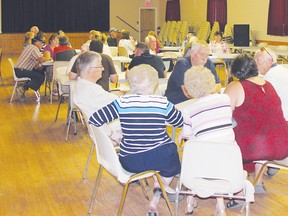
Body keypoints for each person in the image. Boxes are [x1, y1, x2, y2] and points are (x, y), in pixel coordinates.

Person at [89, 64, 183, 215]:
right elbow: (179, 122)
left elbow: (94, 119)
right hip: (160, 158)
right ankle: (159, 188)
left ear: (130, 84)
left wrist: (113, 134)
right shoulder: (162, 103)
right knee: (172, 149)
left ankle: (158, 189)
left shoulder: (121, 102)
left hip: (130, 161)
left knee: (164, 151)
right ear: (154, 85)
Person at [224, 54, 288, 194]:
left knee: (230, 132)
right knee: (259, 129)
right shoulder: (268, 84)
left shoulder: (236, 86)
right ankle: (258, 182)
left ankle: (238, 189)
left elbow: (223, 116)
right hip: (281, 142)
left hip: (256, 147)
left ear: (235, 72)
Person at [180, 66, 235, 216]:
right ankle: (221, 207)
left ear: (189, 88)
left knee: (192, 149)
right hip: (228, 160)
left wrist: (182, 135)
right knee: (215, 147)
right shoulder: (225, 99)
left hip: (203, 164)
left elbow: (188, 137)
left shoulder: (188, 110)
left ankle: (190, 203)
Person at [74, 51, 121, 144]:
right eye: (100, 66)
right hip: (112, 135)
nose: (103, 69)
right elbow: (121, 104)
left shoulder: (81, 86)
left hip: (100, 133)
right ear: (89, 70)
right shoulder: (92, 91)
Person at [254, 47, 288, 121]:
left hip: (283, 119)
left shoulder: (270, 76)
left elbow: (264, 104)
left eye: (258, 60)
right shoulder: (282, 70)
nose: (255, 64)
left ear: (269, 61)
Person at [14, 35, 45, 102]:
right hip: (21, 71)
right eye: (42, 43)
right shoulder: (34, 48)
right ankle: (23, 88)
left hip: (19, 70)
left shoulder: (29, 47)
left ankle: (23, 88)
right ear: (37, 43)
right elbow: (41, 59)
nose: (42, 45)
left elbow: (34, 62)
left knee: (40, 73)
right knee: (40, 77)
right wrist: (47, 58)